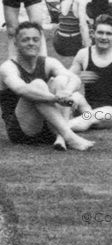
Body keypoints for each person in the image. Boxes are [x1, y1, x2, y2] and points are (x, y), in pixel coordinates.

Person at [0, 22, 94, 150]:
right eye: (25, 40)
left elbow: (75, 79)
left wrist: (66, 92)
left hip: (50, 130)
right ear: (16, 44)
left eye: (35, 39)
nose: (31, 43)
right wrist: (57, 98)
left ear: (40, 42)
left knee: (61, 80)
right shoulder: (7, 67)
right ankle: (69, 136)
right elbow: (21, 89)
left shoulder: (48, 62)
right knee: (37, 85)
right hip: (22, 132)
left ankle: (61, 137)